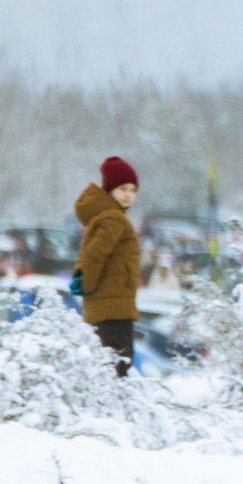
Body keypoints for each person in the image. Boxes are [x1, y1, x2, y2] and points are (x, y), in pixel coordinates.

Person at [72, 156, 143, 376]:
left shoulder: (107, 217)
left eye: (133, 189)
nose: (128, 194)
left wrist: (84, 281)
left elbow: (91, 254)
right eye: (123, 188)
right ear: (110, 189)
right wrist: (87, 284)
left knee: (107, 366)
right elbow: (95, 254)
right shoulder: (114, 218)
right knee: (118, 365)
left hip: (107, 307)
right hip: (115, 309)